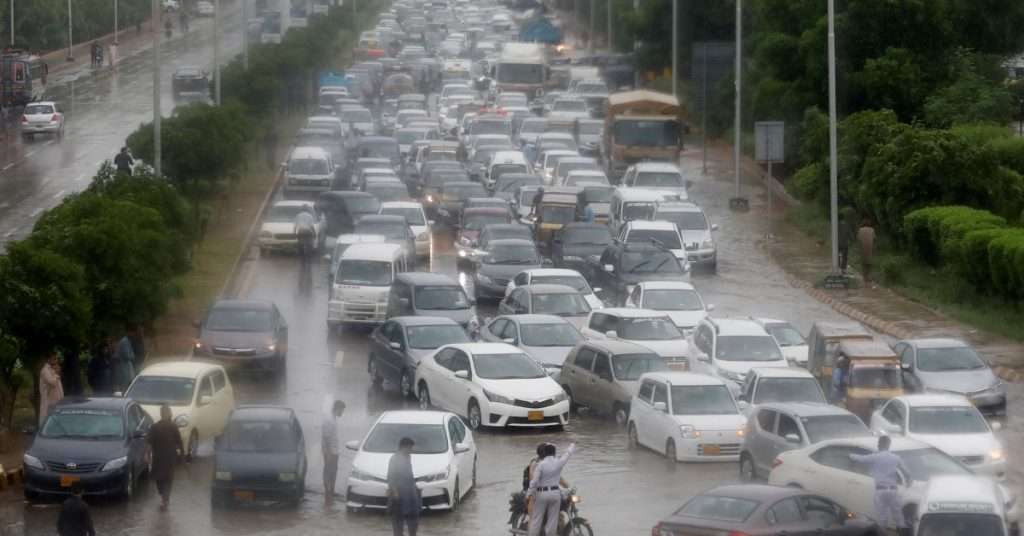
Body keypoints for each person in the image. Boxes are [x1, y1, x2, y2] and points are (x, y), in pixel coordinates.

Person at [849, 435, 911, 534]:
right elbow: (906, 471)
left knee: (882, 517)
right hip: (893, 490)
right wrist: (908, 481)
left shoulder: (875, 457)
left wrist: (850, 455)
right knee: (898, 516)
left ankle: (882, 533)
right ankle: (904, 533)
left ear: (879, 444)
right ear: (889, 445)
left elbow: (861, 459)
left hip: (880, 490)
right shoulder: (896, 458)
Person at [526, 442, 576, 536]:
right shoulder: (558, 462)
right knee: (552, 522)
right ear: (554, 453)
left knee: (536, 521)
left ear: (545, 452)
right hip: (555, 494)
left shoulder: (540, 464)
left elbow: (534, 482)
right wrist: (573, 445)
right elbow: (567, 454)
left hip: (541, 495)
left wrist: (529, 494)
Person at [147, 404, 184, 511]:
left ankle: (164, 499)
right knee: (166, 479)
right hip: (166, 458)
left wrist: (148, 455)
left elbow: (149, 443)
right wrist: (182, 458)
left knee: (161, 479)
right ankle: (165, 498)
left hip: (161, 458)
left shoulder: (160, 427)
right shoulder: (160, 427)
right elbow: (180, 443)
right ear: (167, 414)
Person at [387, 437, 421, 536]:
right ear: (404, 447)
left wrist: (415, 488)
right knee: (398, 524)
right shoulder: (395, 459)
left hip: (410, 495)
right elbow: (391, 478)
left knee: (413, 521)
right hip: (399, 496)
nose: (411, 450)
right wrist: (396, 494)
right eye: (410, 448)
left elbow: (409, 475)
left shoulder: (407, 457)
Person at [322, 399, 345, 500]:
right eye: (342, 410)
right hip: (330, 451)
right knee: (328, 470)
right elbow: (326, 437)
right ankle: (328, 492)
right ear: (337, 409)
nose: (342, 413)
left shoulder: (333, 419)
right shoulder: (329, 420)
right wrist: (328, 453)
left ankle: (332, 491)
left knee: (334, 470)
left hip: (334, 450)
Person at [39, 353, 64, 425]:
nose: (56, 361)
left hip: (56, 400)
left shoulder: (52, 369)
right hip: (49, 400)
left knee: (56, 421)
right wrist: (57, 374)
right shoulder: (45, 370)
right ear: (48, 359)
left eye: (57, 359)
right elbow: (52, 383)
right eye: (54, 359)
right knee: (47, 420)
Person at [857, 218, 876, 284]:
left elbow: (859, 239)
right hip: (870, 247)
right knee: (869, 262)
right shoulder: (872, 230)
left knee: (863, 262)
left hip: (862, 247)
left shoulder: (860, 230)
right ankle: (869, 276)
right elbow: (874, 238)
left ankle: (864, 276)